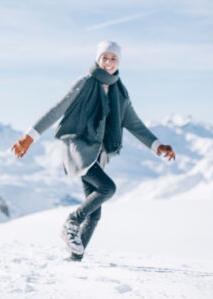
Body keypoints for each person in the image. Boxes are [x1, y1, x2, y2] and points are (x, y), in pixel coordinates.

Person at [11, 41, 175, 261]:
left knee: (95, 213)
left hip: (99, 152)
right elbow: (57, 109)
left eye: (113, 58)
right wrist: (29, 137)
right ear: (98, 60)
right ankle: (72, 221)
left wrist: (157, 145)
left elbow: (134, 123)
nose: (108, 62)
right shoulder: (85, 83)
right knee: (107, 188)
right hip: (78, 146)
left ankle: (75, 260)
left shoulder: (120, 91)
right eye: (104, 58)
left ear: (119, 62)